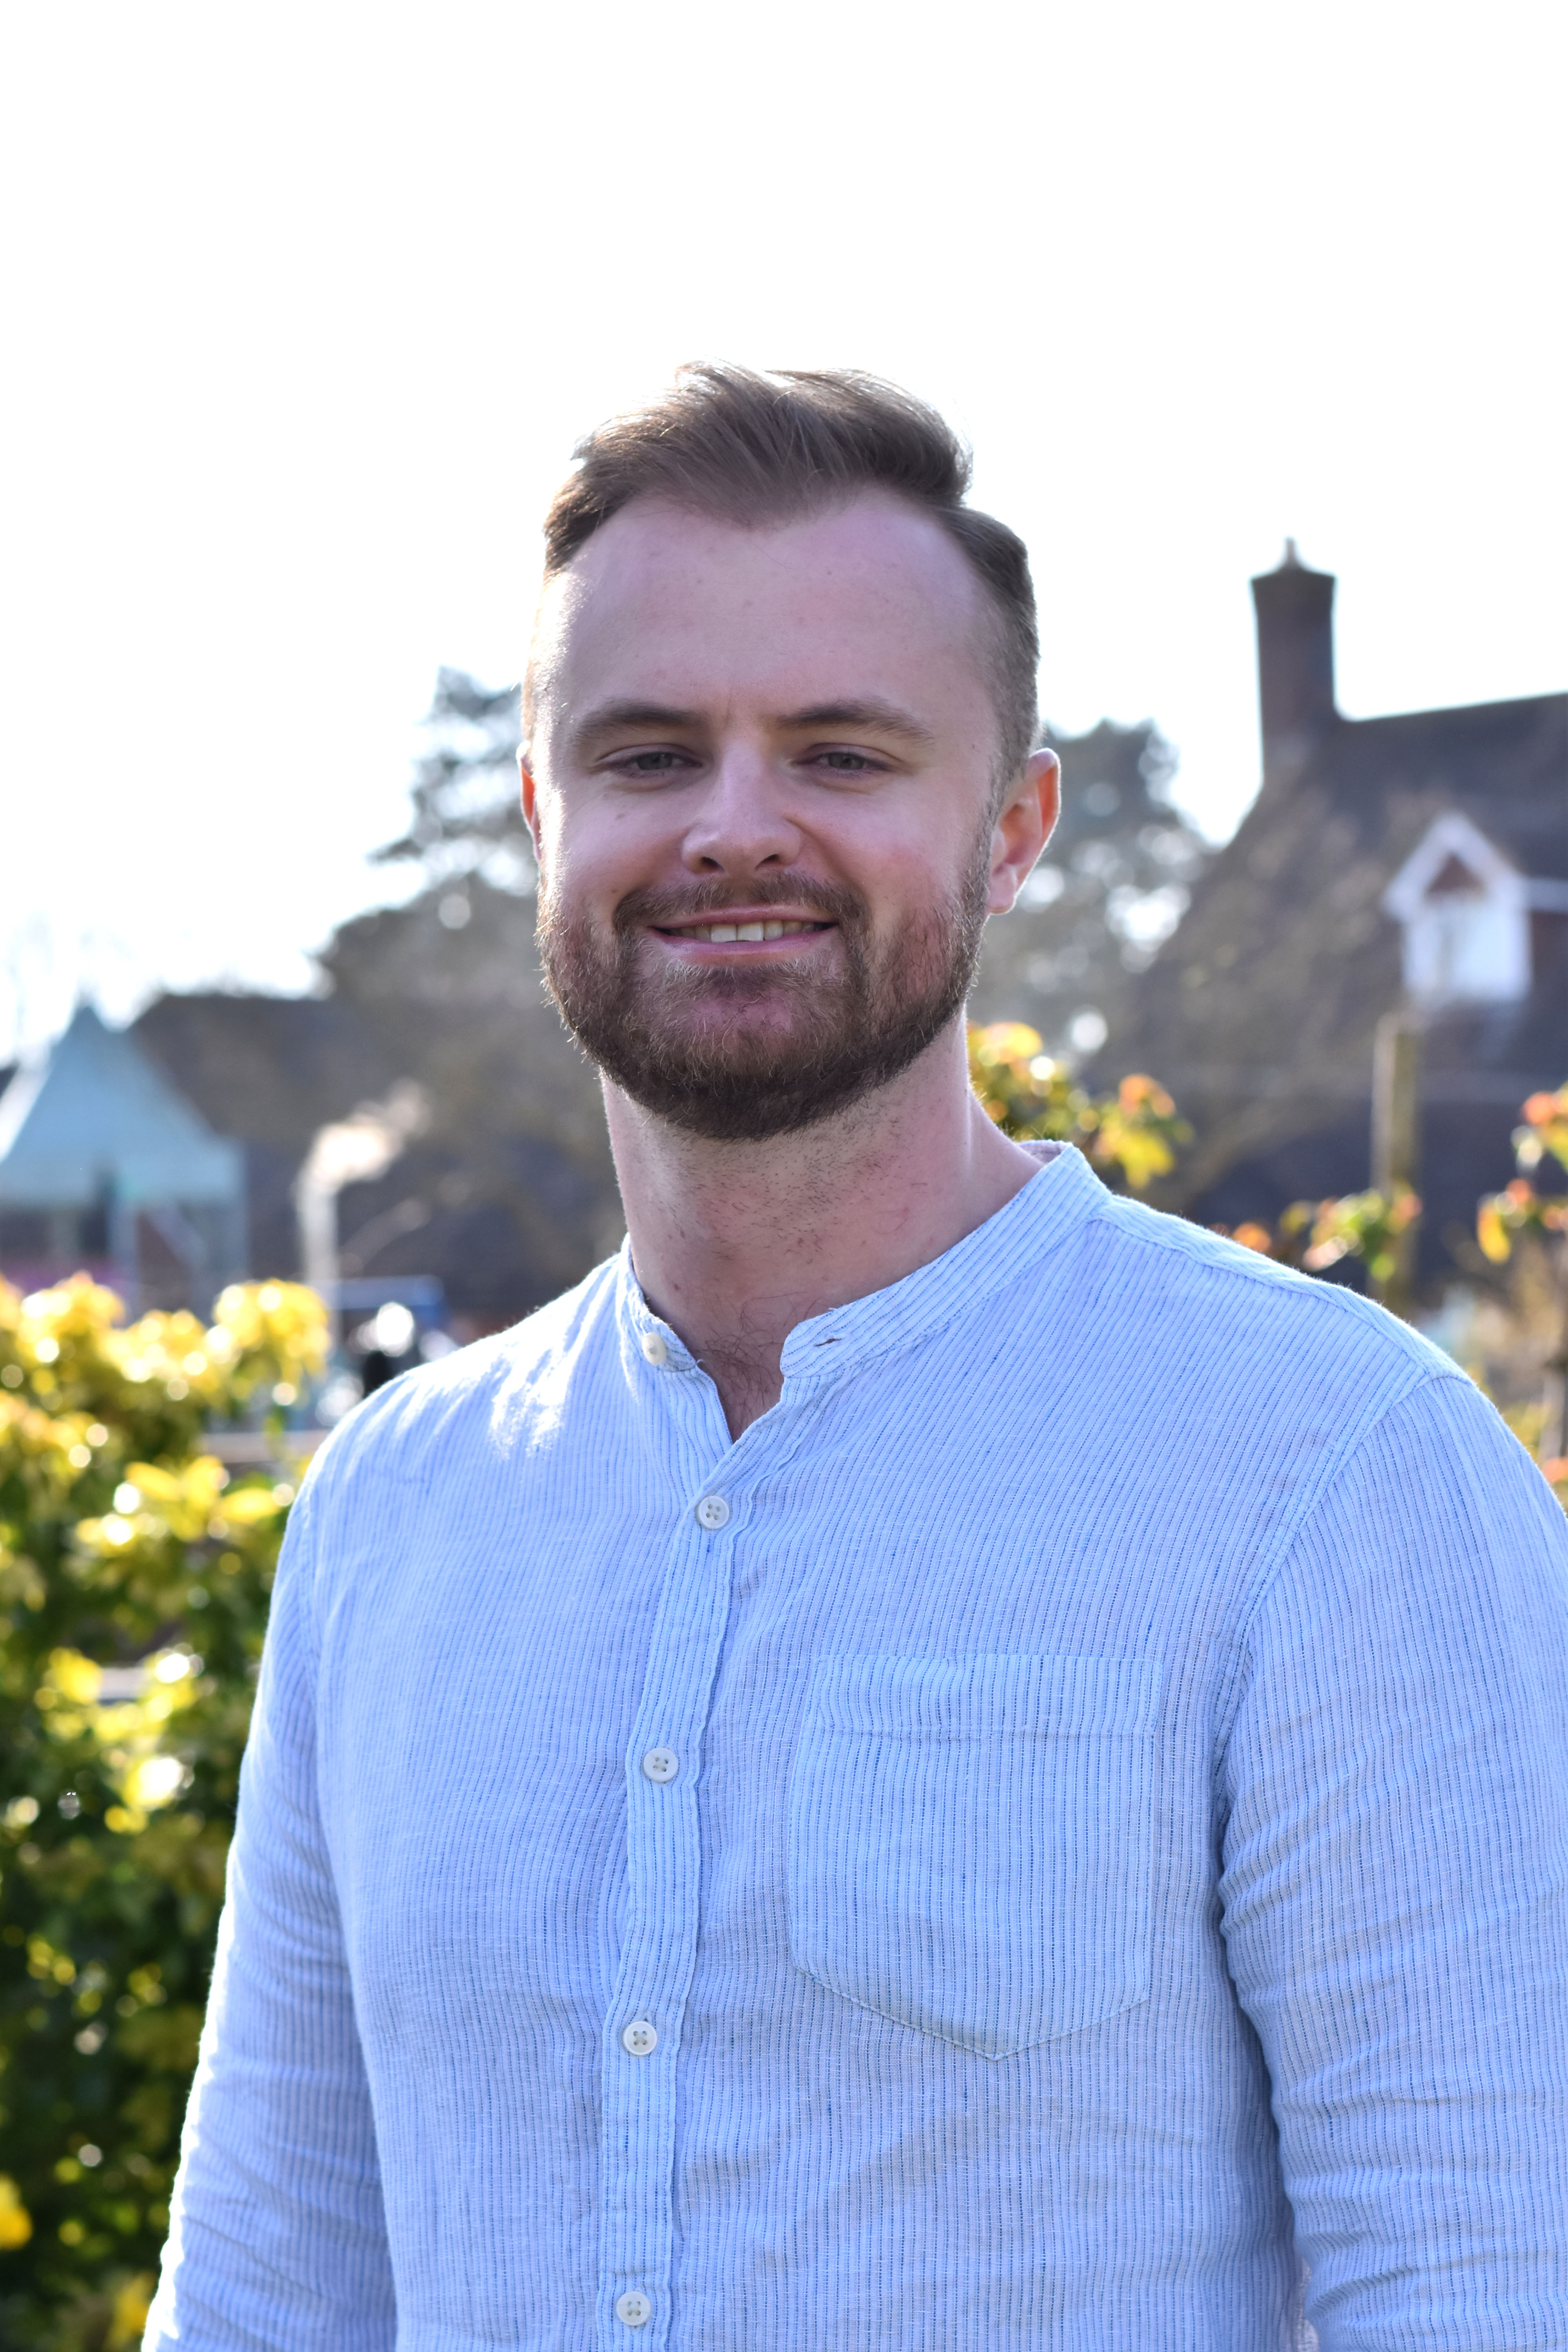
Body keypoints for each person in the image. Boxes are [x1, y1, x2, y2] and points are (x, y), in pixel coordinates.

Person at [147, 367, 1568, 2351]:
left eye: (839, 752)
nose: (737, 829)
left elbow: (1491, 2293)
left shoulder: (1334, 1478)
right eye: (648, 755)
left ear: (1012, 828)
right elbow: (268, 2297)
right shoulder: (393, 1513)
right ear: (545, 812)